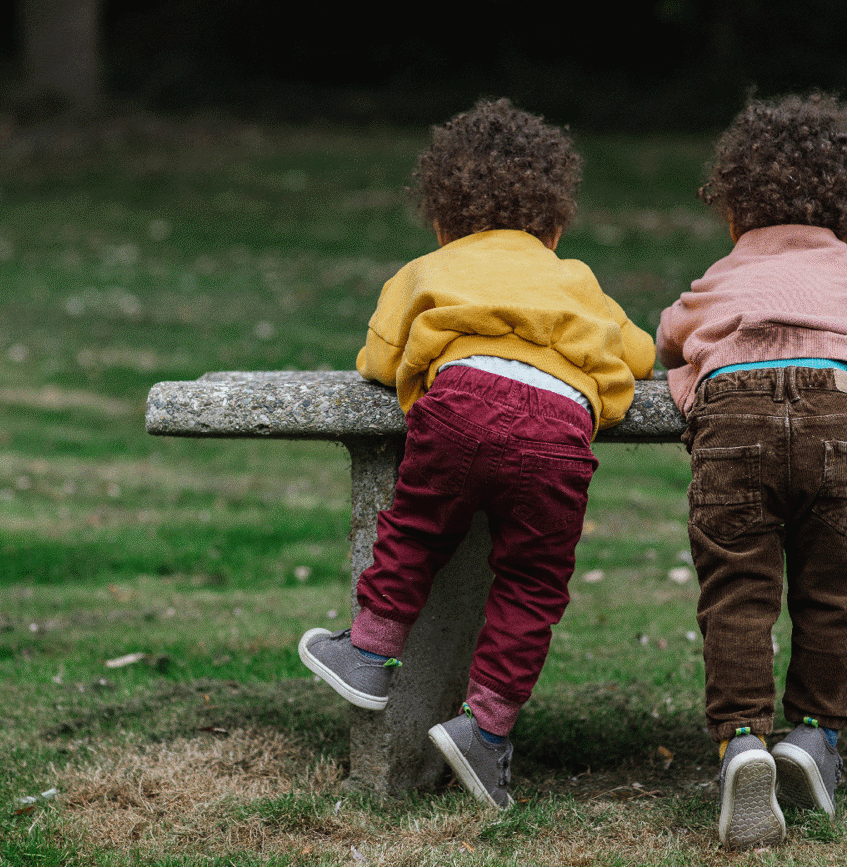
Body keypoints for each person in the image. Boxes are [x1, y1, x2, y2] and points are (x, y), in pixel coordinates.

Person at [297, 98, 655, 808]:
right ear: (553, 228)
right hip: (559, 426)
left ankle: (368, 655)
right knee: (532, 582)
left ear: (441, 220)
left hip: (460, 405)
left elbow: (379, 356)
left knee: (417, 528)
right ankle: (484, 731)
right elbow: (637, 355)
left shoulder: (429, 270)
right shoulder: (577, 280)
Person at [656, 92, 847, 848]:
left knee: (737, 589)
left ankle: (742, 739)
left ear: (735, 208)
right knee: (834, 590)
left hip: (733, 414)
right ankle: (817, 736)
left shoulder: (721, 274)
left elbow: (669, 339)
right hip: (839, 407)